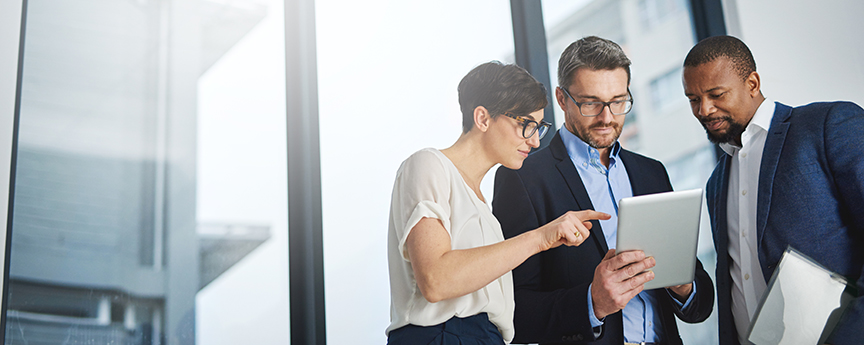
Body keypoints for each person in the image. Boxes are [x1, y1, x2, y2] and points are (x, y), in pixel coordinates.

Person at [492, 36, 714, 345]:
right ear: (562, 98)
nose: (607, 117)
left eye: (619, 101)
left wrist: (683, 287)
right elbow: (509, 310)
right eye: (590, 103)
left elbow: (700, 304)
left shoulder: (651, 173)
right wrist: (591, 302)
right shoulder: (523, 179)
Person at [386, 61, 610, 345]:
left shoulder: (484, 209)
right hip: (442, 336)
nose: (535, 142)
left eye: (538, 128)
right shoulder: (429, 164)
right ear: (482, 118)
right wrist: (540, 238)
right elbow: (436, 279)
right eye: (526, 125)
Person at [682, 35, 864, 345]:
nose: (704, 110)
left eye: (716, 94)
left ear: (752, 83)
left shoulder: (826, 125)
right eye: (693, 99)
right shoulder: (716, 183)